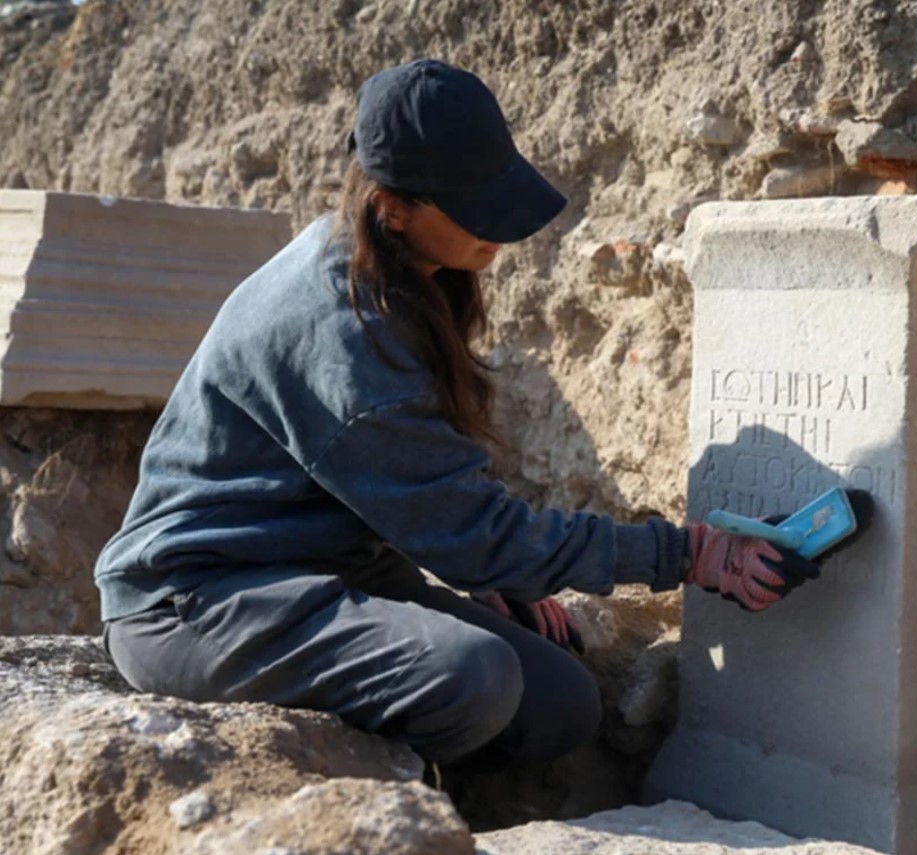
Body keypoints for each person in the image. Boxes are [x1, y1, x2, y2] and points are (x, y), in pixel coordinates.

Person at [95, 59, 869, 777]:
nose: (498, 230)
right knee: (475, 675)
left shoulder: (400, 266)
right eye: (475, 211)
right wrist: (693, 553)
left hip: (327, 563)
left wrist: (500, 567)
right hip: (201, 597)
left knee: (561, 704)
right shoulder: (337, 331)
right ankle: (387, 798)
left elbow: (440, 496)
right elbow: (475, 533)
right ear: (390, 206)